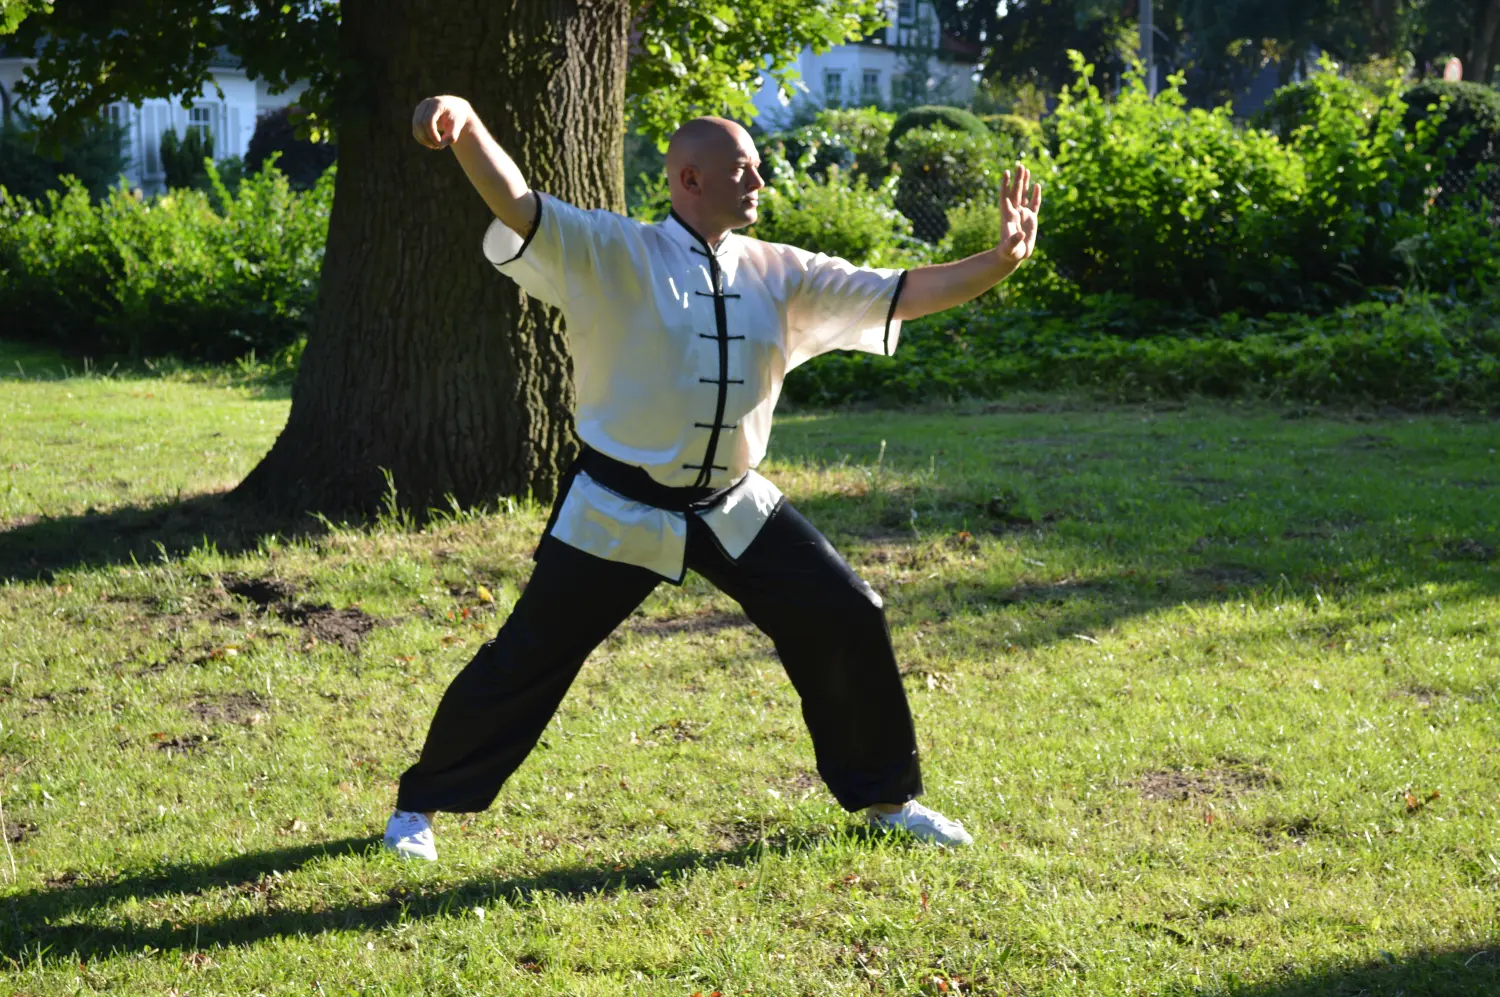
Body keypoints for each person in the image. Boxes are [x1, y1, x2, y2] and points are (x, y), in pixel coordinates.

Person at [383, 95, 1041, 861]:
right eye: (744, 167)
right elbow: (519, 204)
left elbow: (899, 292)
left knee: (847, 612)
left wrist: (999, 262)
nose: (761, 177)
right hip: (618, 505)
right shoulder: (612, 252)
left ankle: (888, 799)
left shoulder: (780, 271)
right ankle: (419, 805)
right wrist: (466, 119)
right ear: (689, 179)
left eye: (759, 165)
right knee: (528, 656)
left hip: (735, 503)